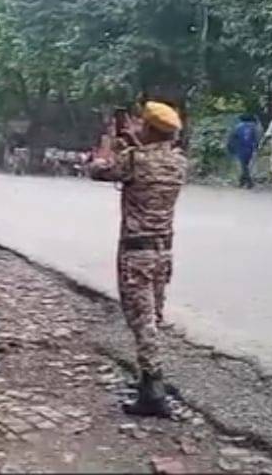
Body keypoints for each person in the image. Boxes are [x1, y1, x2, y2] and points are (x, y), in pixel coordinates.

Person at [88, 101, 187, 418]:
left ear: (149, 128)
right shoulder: (177, 162)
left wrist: (109, 142)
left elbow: (98, 170)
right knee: (153, 317)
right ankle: (148, 382)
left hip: (136, 251)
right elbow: (147, 163)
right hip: (162, 251)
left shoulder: (133, 159)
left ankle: (154, 390)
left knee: (141, 323)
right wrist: (134, 141)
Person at [227, 112, 261, 188]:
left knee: (243, 165)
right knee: (246, 165)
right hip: (250, 148)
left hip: (240, 147)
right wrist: (257, 146)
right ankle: (241, 182)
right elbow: (256, 138)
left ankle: (249, 181)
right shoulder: (253, 127)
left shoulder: (238, 127)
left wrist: (230, 146)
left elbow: (232, 137)